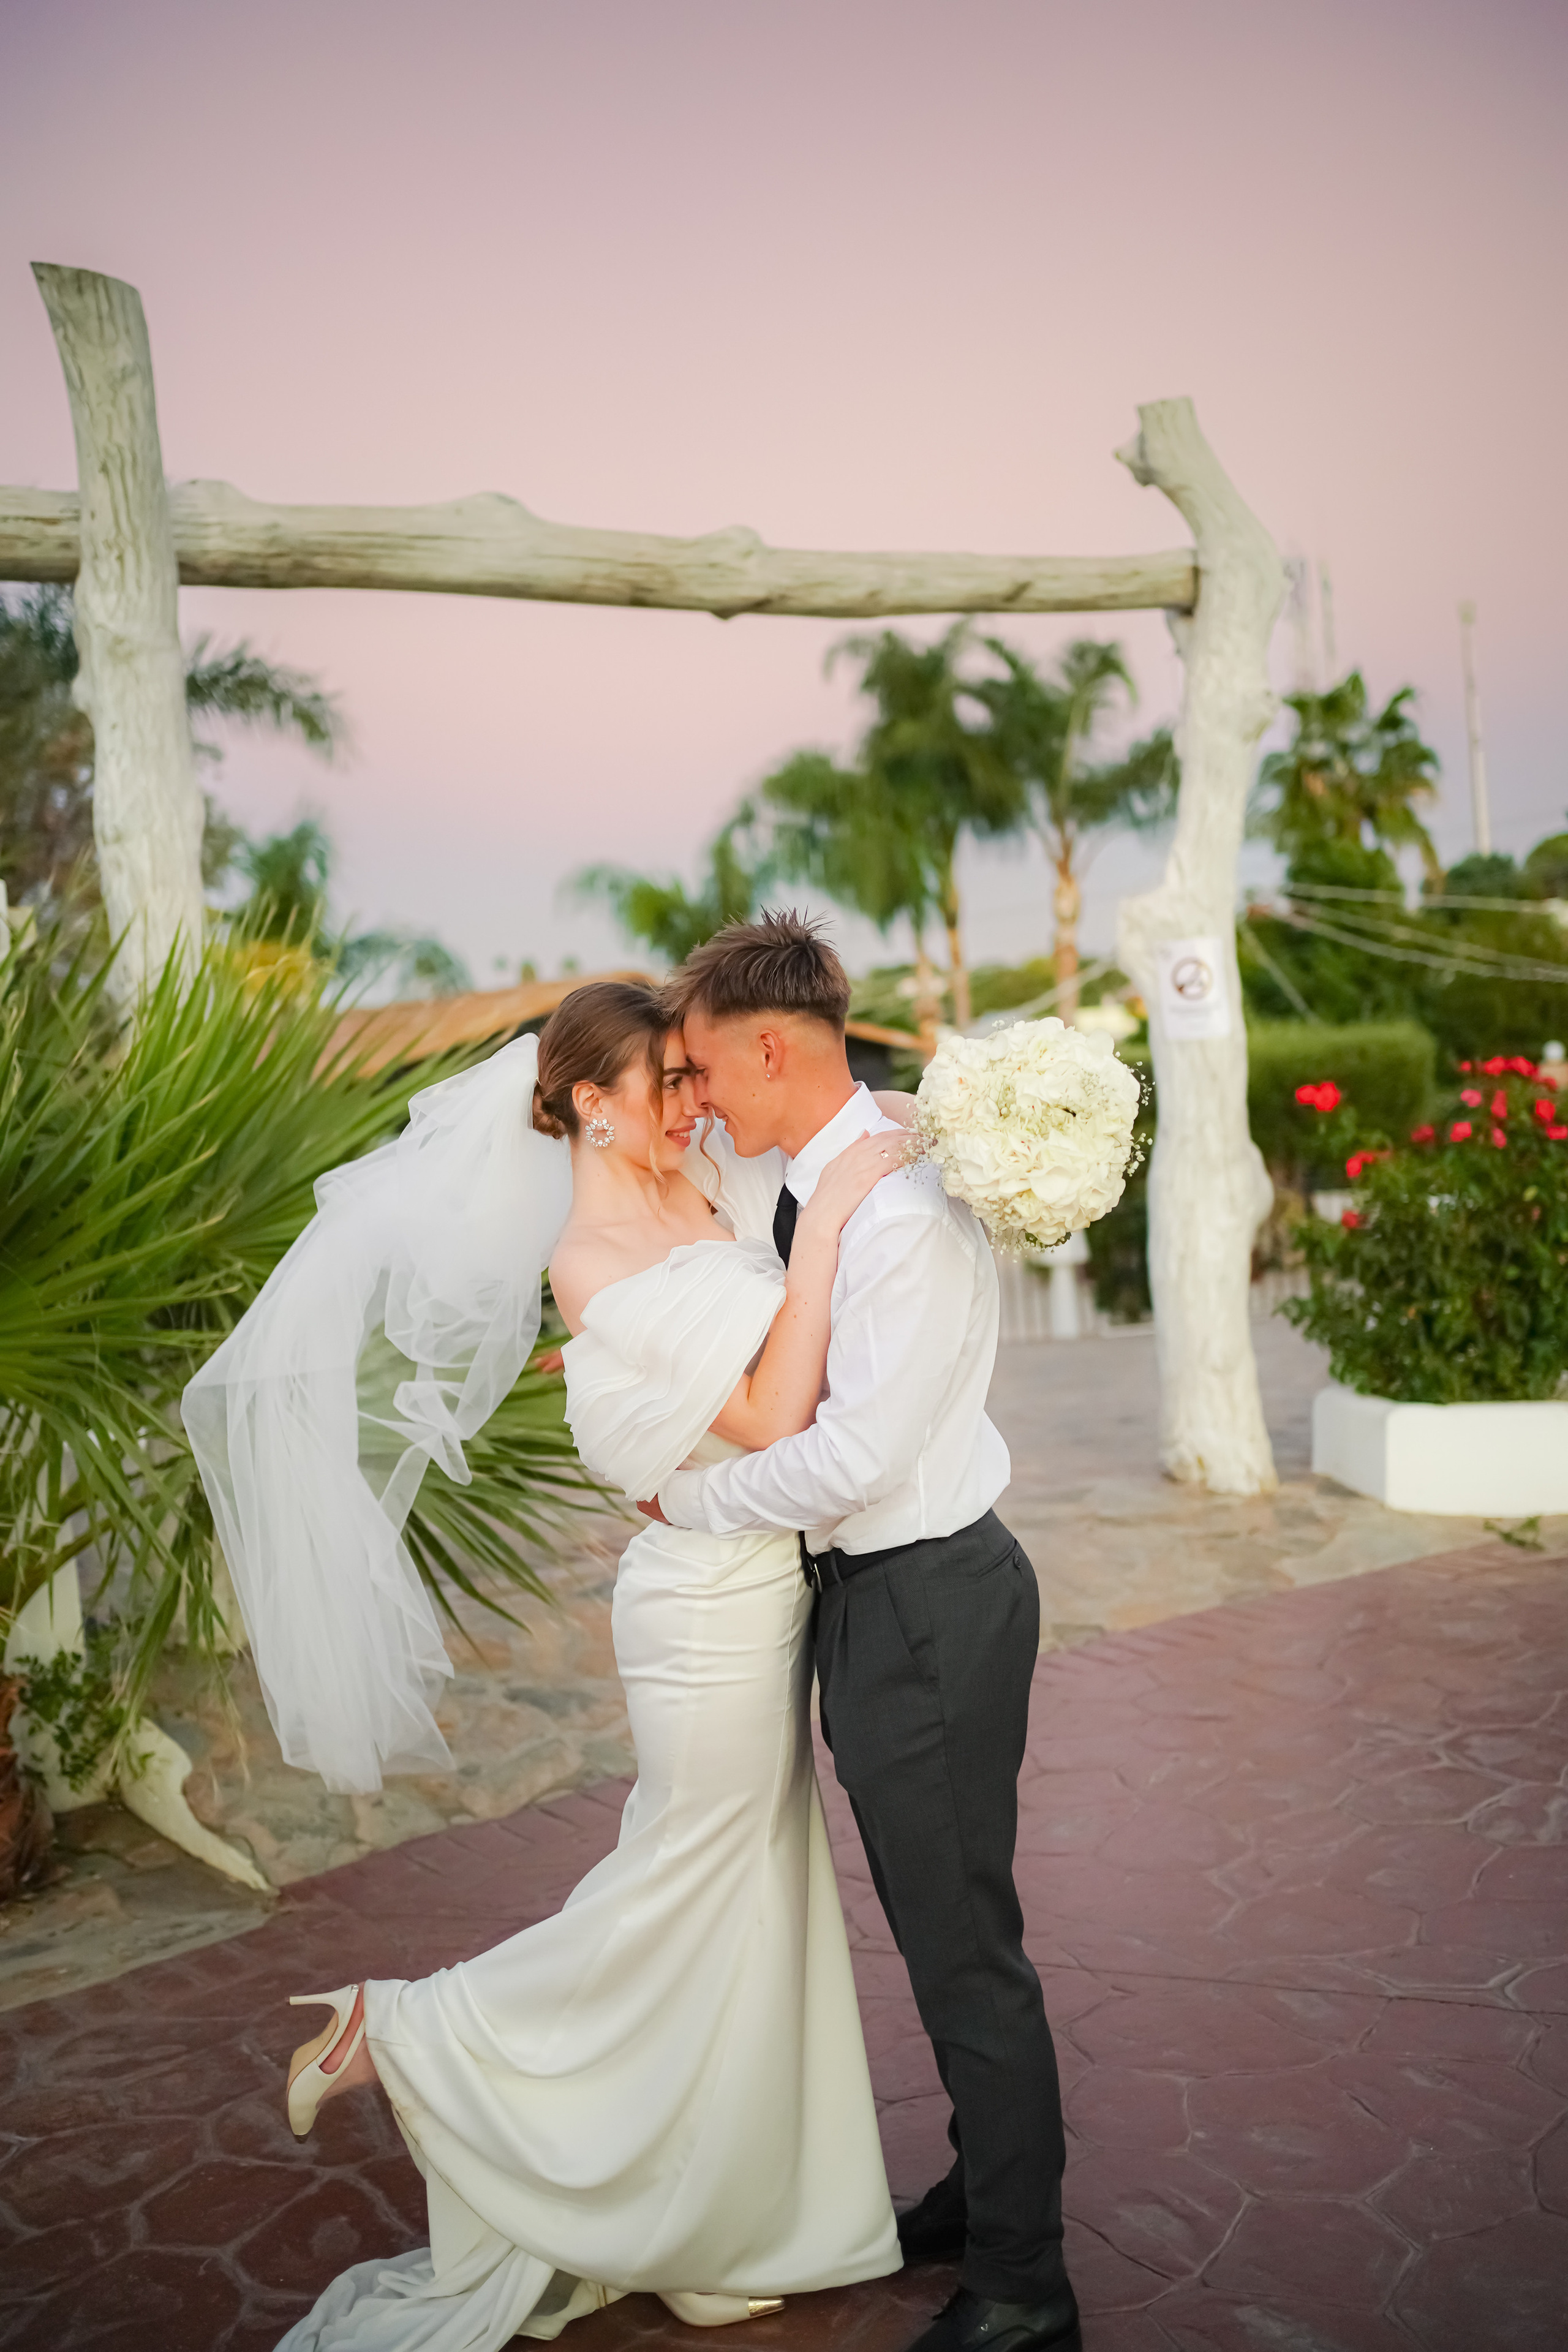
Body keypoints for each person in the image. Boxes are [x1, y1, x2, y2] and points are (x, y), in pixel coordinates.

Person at [184, 981, 908, 2350]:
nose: (692, 1105)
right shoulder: (588, 1257)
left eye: (694, 1083)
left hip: (760, 1580)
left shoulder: (694, 1174)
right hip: (701, 1607)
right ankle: (399, 2033)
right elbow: (766, 1413)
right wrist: (831, 1246)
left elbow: (804, 1130)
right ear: (588, 1100)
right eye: (664, 1083)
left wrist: (899, 1135)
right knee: (680, 1882)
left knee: (748, 1899)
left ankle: (706, 2219)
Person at [647, 914, 1080, 2352]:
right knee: (938, 1922)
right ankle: (981, 2185)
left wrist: (689, 1503)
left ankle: (1023, 2285)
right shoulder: (831, 1168)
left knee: (965, 1949)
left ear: (772, 1046)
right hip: (884, 1603)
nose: (697, 1093)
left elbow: (854, 1459)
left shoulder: (890, 1212)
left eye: (705, 1063)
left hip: (923, 1600)